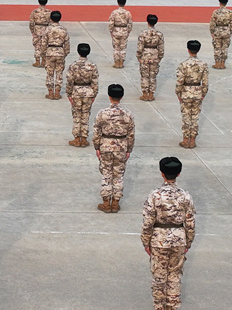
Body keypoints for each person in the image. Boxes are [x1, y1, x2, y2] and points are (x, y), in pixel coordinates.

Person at [141, 156, 195, 310]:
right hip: (179, 237)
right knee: (174, 275)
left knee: (159, 275)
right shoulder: (185, 195)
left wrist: (145, 241)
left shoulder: (155, 195)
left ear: (162, 173)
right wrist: (188, 241)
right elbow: (191, 222)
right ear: (178, 174)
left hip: (159, 239)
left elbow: (147, 221)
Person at [92, 84, 135, 213]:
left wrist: (97, 147)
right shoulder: (128, 114)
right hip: (121, 145)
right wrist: (129, 150)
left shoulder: (102, 113)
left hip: (105, 143)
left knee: (106, 173)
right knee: (118, 175)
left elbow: (96, 132)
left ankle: (106, 202)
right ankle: (115, 202)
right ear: (121, 97)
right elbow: (131, 134)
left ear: (109, 96)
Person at [175, 40, 210, 149]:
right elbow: (205, 82)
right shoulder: (203, 64)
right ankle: (193, 140)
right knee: (195, 117)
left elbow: (180, 80)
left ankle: (186, 140)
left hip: (186, 91)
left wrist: (178, 93)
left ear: (188, 50)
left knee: (186, 117)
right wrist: (203, 93)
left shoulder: (183, 64)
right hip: (197, 91)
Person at [65, 43, 100, 147]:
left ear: (78, 52)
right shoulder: (92, 66)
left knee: (76, 115)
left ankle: (76, 139)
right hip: (88, 91)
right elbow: (95, 81)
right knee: (85, 115)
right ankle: (84, 139)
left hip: (76, 91)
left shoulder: (73, 65)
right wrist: (94, 94)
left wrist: (69, 94)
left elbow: (70, 81)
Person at [136, 14, 165, 101]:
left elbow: (140, 46)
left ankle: (145, 94)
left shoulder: (143, 33)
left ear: (147, 22)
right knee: (153, 76)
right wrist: (160, 57)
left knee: (145, 75)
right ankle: (151, 94)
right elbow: (161, 47)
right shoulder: (159, 34)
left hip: (145, 54)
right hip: (155, 54)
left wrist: (139, 56)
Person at [43, 11, 70, 100]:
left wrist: (44, 53)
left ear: (50, 18)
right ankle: (57, 93)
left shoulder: (47, 29)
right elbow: (67, 44)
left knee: (50, 73)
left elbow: (44, 43)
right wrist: (64, 53)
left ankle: (50, 93)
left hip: (50, 51)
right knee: (59, 73)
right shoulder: (63, 30)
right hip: (60, 51)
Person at [209, 0, 232, 69]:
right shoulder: (230, 12)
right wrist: (230, 31)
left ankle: (217, 63)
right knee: (225, 48)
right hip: (226, 30)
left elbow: (212, 23)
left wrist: (212, 31)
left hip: (217, 30)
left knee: (217, 47)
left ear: (219, 2)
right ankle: (223, 63)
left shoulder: (216, 12)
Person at [108, 0, 133, 69]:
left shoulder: (114, 12)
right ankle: (121, 63)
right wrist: (128, 31)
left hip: (116, 30)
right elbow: (130, 23)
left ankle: (116, 63)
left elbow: (111, 22)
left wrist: (111, 31)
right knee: (123, 48)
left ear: (118, 3)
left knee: (116, 48)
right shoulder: (128, 13)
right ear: (125, 3)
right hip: (124, 30)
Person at [28, 0, 51, 66]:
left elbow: (31, 23)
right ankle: (44, 61)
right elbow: (51, 22)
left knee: (37, 45)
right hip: (46, 29)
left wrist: (32, 31)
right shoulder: (49, 12)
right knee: (45, 45)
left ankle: (37, 61)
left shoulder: (35, 11)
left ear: (39, 1)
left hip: (37, 29)